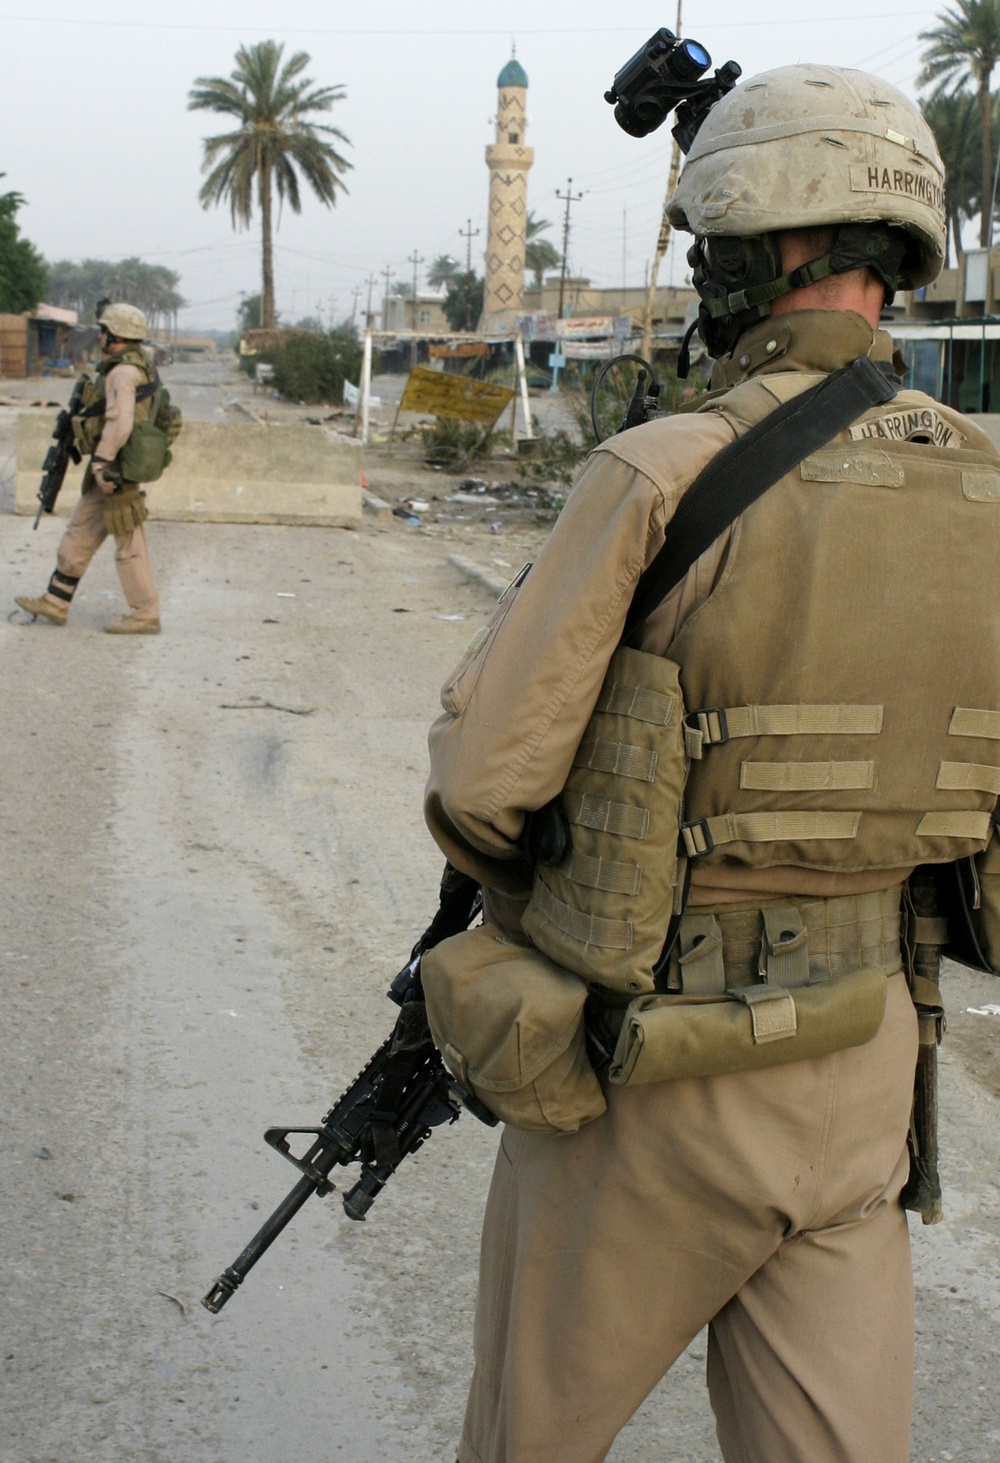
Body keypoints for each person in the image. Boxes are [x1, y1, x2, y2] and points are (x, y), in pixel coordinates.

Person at [423, 66, 1000, 1463]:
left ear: (764, 243)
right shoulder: (987, 485)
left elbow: (484, 786)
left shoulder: (663, 468)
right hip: (869, 1066)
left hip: (654, 1076)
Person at [16, 302, 162, 634]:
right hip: (113, 465)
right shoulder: (132, 366)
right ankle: (56, 601)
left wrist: (102, 461)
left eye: (105, 331)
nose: (100, 336)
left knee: (128, 539)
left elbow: (120, 422)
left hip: (117, 468)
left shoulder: (124, 373)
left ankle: (145, 613)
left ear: (118, 335)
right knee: (81, 530)